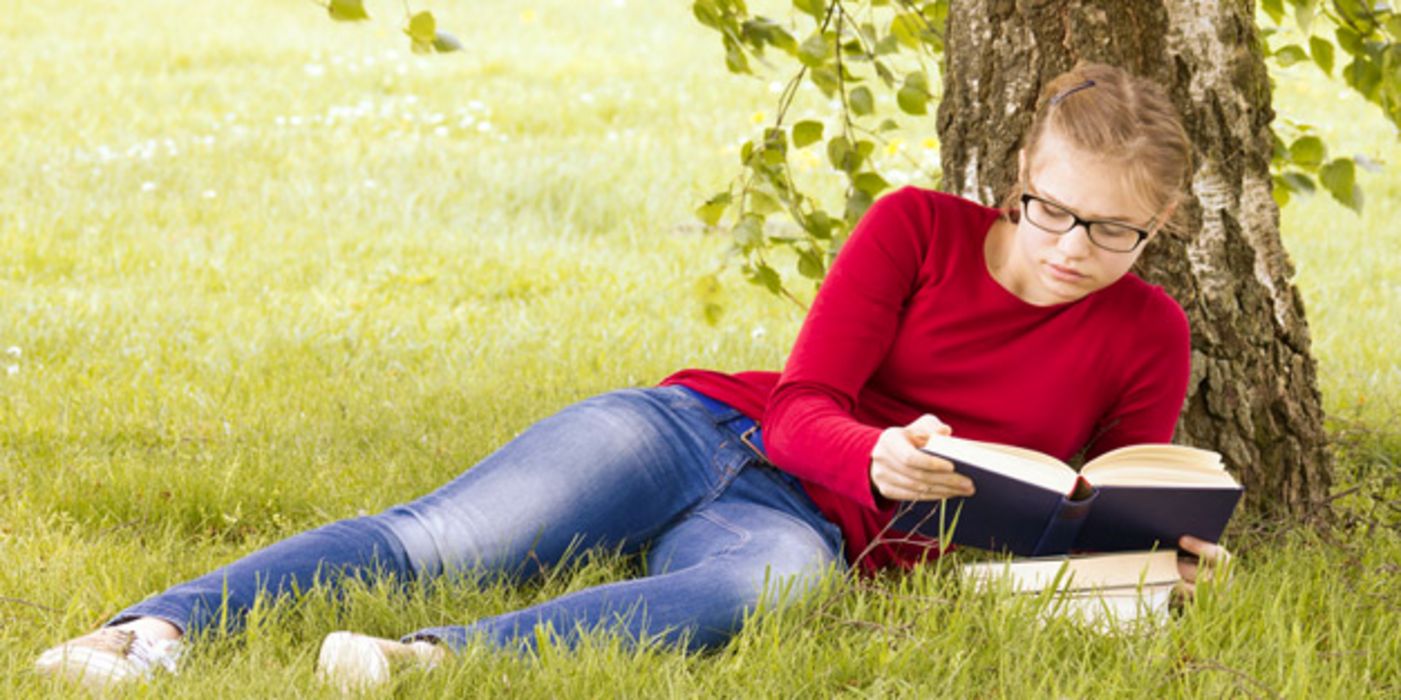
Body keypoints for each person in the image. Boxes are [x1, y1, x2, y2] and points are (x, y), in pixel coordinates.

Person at [34, 62, 1233, 691]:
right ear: (1018, 172)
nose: (1070, 249)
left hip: (810, 523)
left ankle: (423, 662)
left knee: (754, 596)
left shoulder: (1148, 334)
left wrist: (1150, 554)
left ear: (1161, 226)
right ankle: (148, 631)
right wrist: (874, 452)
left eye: (1111, 231)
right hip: (709, 430)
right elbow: (809, 402)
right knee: (449, 532)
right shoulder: (916, 228)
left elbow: (1089, 504)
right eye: (1050, 210)